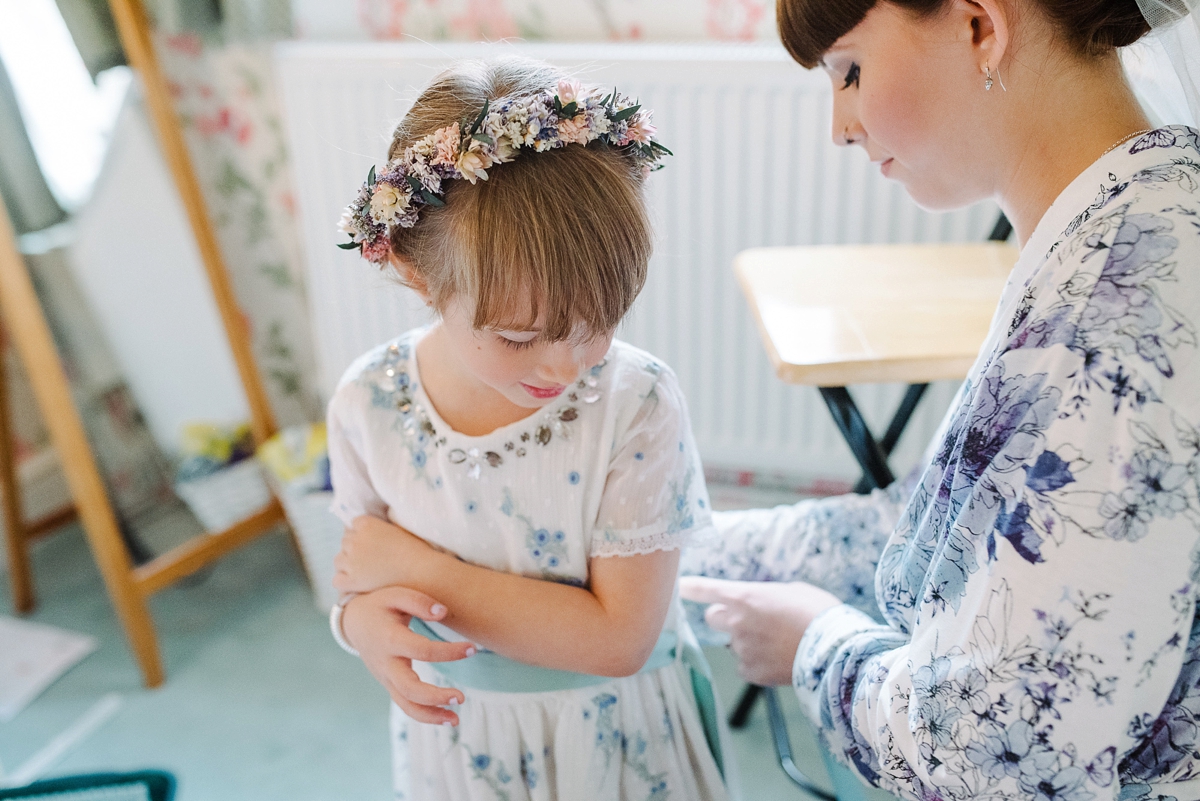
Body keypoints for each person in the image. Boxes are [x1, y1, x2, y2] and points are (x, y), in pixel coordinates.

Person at [678, 0, 1200, 798]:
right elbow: (961, 523)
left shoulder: (1128, 303)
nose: (839, 128)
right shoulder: (1114, 225)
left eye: (850, 70)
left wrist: (814, 645)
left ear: (979, 27)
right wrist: (680, 548)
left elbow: (994, 761)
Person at [325, 56, 729, 800]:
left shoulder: (636, 403)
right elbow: (363, 577)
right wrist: (359, 631)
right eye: (519, 336)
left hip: (614, 740)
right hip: (463, 742)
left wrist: (428, 572)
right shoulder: (368, 405)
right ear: (421, 278)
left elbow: (618, 640)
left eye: (601, 321)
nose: (568, 361)